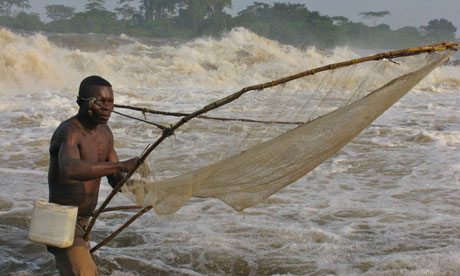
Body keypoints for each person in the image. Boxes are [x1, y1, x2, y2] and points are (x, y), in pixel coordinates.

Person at [47, 76, 139, 275]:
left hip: (84, 222)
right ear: (82, 101)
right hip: (62, 220)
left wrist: (142, 189)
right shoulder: (69, 131)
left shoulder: (105, 133)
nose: (106, 108)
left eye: (110, 102)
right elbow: (70, 168)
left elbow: (115, 179)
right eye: (99, 102)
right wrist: (121, 164)